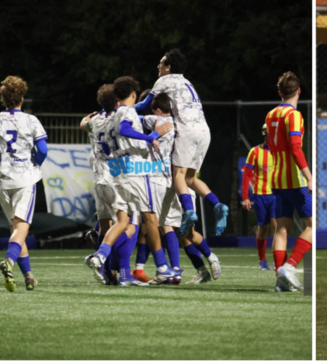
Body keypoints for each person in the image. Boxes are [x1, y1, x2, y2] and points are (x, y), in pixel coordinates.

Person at [84, 76, 175, 284]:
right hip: (131, 170)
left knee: (124, 221)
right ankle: (161, 267)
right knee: (149, 218)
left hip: (112, 172)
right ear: (133, 94)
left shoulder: (107, 117)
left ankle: (101, 257)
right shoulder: (125, 111)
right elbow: (126, 129)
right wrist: (152, 136)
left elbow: (87, 124)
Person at [133, 49, 229, 237]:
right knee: (190, 179)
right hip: (204, 131)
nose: (158, 66)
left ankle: (189, 213)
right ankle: (217, 205)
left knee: (178, 175)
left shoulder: (164, 80)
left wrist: (122, 111)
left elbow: (145, 105)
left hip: (186, 131)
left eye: (161, 63)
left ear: (168, 67)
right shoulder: (187, 82)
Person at [132, 93, 221, 284]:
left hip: (167, 181)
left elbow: (129, 115)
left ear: (157, 109)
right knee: (184, 232)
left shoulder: (157, 119)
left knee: (163, 226)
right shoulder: (183, 124)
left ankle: (171, 272)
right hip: (184, 183)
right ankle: (207, 260)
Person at [0, 76, 48, 292]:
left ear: (3, 98)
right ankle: (8, 263)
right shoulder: (31, 120)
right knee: (22, 228)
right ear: (22, 96)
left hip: (2, 180)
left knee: (14, 229)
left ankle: (28, 276)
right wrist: (36, 162)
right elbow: (44, 150)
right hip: (25, 179)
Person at [80, 85, 142, 286]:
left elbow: (83, 124)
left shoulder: (95, 121)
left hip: (98, 180)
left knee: (105, 226)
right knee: (126, 223)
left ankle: (107, 274)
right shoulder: (119, 119)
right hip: (115, 177)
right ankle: (100, 256)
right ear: (118, 101)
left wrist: (92, 114)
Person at [265, 72, 313, 292]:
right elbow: (295, 148)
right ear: (299, 91)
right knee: (314, 226)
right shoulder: (293, 115)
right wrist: (309, 176)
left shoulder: (271, 114)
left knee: (282, 229)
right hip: (294, 178)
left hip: (276, 177)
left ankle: (280, 280)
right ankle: (290, 266)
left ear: (279, 93)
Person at [242, 124, 276, 271]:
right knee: (263, 228)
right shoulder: (255, 152)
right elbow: (247, 175)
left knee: (277, 228)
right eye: (266, 133)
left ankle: (277, 261)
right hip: (260, 195)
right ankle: (262, 260)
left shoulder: (281, 152)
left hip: (277, 195)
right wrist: (245, 197)